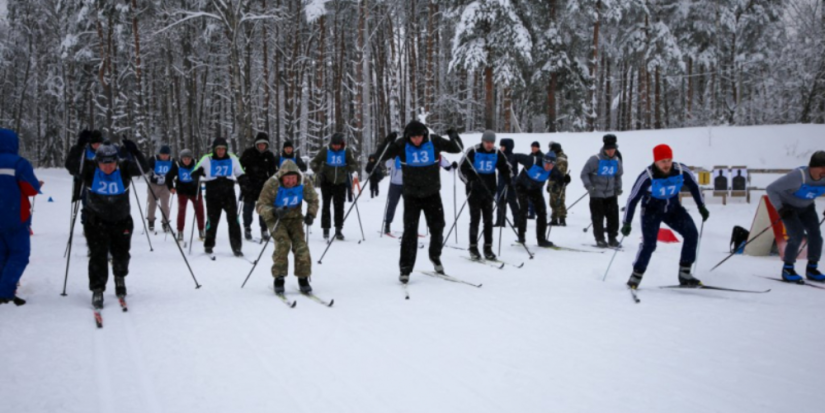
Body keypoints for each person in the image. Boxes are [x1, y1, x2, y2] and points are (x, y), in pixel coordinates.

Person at [377, 121, 463, 282]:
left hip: (432, 194)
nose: (416, 140)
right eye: (413, 137)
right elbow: (380, 156)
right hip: (411, 195)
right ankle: (405, 268)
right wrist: (387, 141)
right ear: (408, 136)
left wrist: (453, 135)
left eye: (419, 136)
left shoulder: (433, 141)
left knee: (438, 227)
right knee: (410, 232)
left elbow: (457, 148)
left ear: (424, 134)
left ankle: (435, 255)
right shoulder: (402, 144)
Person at [622, 144, 709, 289]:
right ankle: (635, 276)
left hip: (673, 209)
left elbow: (694, 186)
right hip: (651, 210)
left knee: (692, 233)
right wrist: (627, 222)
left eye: (669, 160)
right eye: (663, 161)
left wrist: (701, 206)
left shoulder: (681, 170)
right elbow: (633, 198)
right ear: (656, 161)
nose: (666, 164)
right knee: (649, 244)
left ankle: (685, 274)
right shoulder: (647, 176)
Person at [80, 140, 147, 308]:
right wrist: (80, 145)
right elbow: (72, 166)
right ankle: (98, 289)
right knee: (98, 255)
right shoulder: (90, 169)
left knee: (122, 254)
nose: (108, 167)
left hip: (121, 220)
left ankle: (119, 277)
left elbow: (144, 168)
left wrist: (135, 152)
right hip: (96, 221)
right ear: (98, 161)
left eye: (111, 162)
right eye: (104, 163)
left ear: (117, 161)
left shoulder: (124, 168)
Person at [256, 160, 319, 294]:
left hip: (295, 218)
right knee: (283, 243)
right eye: (287, 179)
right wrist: (273, 211)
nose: (290, 182)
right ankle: (279, 278)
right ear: (281, 176)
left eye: (293, 178)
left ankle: (303, 278)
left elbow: (313, 199)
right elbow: (260, 206)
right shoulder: (272, 184)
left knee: (301, 246)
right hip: (276, 219)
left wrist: (311, 214)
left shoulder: (303, 182)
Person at [765, 151, 825, 283]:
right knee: (797, 236)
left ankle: (812, 268)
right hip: (788, 208)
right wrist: (780, 208)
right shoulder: (798, 176)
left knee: (816, 235)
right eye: (823, 168)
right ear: (813, 167)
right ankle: (788, 268)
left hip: (807, 207)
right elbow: (771, 189)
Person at [0, 128, 42, 306]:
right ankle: (5, 292)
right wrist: (37, 185)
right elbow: (31, 189)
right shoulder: (18, 163)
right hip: (16, 217)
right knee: (19, 254)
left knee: (1, 254)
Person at [459, 130, 511, 261]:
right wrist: (470, 179)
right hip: (474, 190)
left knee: (488, 220)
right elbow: (461, 168)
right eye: (487, 142)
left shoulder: (497, 152)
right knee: (475, 219)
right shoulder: (473, 151)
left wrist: (508, 178)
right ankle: (473, 247)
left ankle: (488, 248)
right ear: (482, 141)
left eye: (492, 142)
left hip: (489, 190)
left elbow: (505, 167)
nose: (489, 145)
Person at [193, 138, 249, 257]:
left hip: (228, 192)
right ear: (214, 149)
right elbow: (194, 170)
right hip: (212, 193)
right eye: (218, 149)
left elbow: (240, 172)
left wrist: (244, 182)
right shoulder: (207, 158)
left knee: (234, 220)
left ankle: (236, 247)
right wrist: (197, 173)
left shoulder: (232, 157)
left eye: (223, 149)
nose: (221, 151)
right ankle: (209, 245)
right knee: (212, 220)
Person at [310, 132, 359, 240]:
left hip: (340, 183)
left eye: (338, 145)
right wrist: (318, 169)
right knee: (326, 206)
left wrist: (349, 168)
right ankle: (326, 229)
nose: (336, 147)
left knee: (339, 207)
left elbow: (354, 164)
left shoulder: (346, 151)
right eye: (334, 144)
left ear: (342, 143)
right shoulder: (325, 150)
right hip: (326, 182)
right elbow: (314, 162)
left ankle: (338, 229)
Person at [514, 149, 565, 247]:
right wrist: (512, 173)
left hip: (535, 189)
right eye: (546, 163)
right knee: (524, 209)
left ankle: (541, 239)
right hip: (522, 186)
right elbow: (514, 157)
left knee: (542, 213)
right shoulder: (532, 160)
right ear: (543, 160)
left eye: (551, 165)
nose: (548, 166)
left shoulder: (553, 169)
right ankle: (521, 236)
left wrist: (565, 180)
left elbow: (559, 178)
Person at [581, 138, 623, 248]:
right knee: (597, 218)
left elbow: (618, 175)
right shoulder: (595, 159)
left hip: (611, 194)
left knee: (613, 217)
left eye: (613, 149)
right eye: (608, 149)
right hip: (596, 194)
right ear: (604, 149)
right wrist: (589, 186)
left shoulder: (617, 161)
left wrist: (618, 187)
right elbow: (584, 174)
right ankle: (600, 239)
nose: (611, 152)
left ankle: (612, 238)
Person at [240, 132, 277, 241]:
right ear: (256, 144)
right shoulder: (248, 153)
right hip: (249, 184)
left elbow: (272, 172)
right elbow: (240, 167)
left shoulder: (269, 155)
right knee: (248, 208)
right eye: (259, 144)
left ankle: (264, 229)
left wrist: (272, 184)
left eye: (263, 144)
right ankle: (247, 228)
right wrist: (244, 180)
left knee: (264, 208)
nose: (261, 146)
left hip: (263, 185)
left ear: (266, 145)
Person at [65, 130, 104, 226]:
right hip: (86, 183)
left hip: (102, 183)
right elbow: (70, 164)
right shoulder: (84, 150)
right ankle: (88, 224)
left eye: (99, 143)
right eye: (94, 143)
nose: (96, 145)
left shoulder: (104, 151)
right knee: (87, 205)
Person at [168, 149, 205, 242]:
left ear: (191, 158)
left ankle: (201, 230)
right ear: (181, 159)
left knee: (200, 210)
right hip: (182, 191)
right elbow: (168, 176)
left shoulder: (197, 164)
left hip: (195, 191)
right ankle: (180, 231)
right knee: (181, 211)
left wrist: (202, 172)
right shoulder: (177, 165)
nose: (187, 161)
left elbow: (206, 173)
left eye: (188, 158)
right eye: (184, 159)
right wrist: (171, 187)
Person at [146, 145, 175, 233]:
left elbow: (175, 170)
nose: (165, 156)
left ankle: (165, 223)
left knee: (165, 205)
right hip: (154, 184)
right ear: (160, 154)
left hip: (165, 185)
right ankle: (151, 221)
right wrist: (150, 172)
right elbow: (146, 167)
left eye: (166, 154)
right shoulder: (153, 159)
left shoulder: (172, 160)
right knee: (152, 203)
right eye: (163, 154)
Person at [494, 138, 520, 227]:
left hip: (510, 183)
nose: (501, 148)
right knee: (500, 202)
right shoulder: (501, 156)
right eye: (500, 146)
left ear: (508, 147)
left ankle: (517, 221)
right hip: (501, 182)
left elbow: (512, 170)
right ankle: (500, 221)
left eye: (503, 146)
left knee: (513, 202)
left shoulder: (512, 157)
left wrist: (510, 180)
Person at [548, 142, 569, 227]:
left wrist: (555, 182)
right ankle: (555, 218)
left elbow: (559, 172)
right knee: (553, 200)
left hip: (558, 183)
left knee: (559, 200)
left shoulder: (561, 159)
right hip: (554, 182)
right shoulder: (556, 157)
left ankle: (561, 219)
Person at [382, 156, 404, 235]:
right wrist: (392, 158)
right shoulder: (395, 154)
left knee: (411, 206)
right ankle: (387, 225)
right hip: (395, 184)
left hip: (408, 183)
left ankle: (412, 227)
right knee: (392, 204)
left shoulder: (409, 151)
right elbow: (387, 164)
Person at [526, 141, 541, 220]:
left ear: (538, 148)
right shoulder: (530, 156)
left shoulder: (541, 156)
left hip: (538, 180)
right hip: (530, 179)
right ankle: (531, 213)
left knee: (538, 197)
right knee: (529, 197)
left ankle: (539, 212)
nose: (533, 148)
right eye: (532, 147)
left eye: (534, 147)